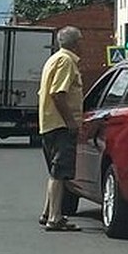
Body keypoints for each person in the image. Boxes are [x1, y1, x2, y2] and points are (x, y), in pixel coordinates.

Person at [38, 26, 84, 231]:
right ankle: (54, 218)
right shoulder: (66, 61)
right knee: (60, 172)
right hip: (61, 125)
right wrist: (71, 122)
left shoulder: (53, 59)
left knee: (55, 172)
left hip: (49, 122)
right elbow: (58, 93)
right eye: (80, 41)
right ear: (75, 43)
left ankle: (48, 212)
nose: (82, 45)